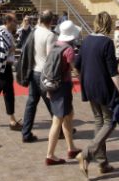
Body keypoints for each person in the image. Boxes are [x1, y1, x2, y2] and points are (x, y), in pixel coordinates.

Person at [74, 12, 119, 177]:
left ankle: (103, 162)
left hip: (88, 85)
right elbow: (113, 72)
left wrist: (83, 77)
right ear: (108, 24)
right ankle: (87, 153)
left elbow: (76, 64)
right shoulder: (106, 42)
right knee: (110, 121)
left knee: (99, 120)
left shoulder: (86, 40)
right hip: (103, 86)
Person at [44, 20, 82, 166]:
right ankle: (50, 155)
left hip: (53, 85)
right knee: (57, 120)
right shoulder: (69, 50)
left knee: (68, 116)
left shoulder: (55, 45)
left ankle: (71, 147)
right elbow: (74, 69)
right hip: (63, 86)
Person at [21, 10, 56, 143]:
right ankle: (61, 129)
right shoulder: (50, 35)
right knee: (53, 103)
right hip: (43, 73)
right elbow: (50, 58)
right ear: (51, 21)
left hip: (33, 71)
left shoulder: (34, 32)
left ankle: (26, 133)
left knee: (31, 103)